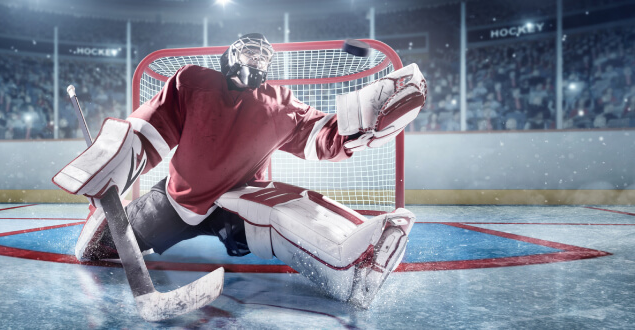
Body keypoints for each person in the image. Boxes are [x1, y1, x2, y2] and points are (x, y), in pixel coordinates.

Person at [53, 34, 427, 308]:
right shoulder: (193, 81)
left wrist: (357, 128)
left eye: (263, 58)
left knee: (282, 208)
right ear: (231, 55)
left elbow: (320, 135)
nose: (256, 61)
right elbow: (150, 131)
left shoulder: (278, 104)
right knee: (105, 244)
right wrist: (112, 170)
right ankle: (98, 223)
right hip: (177, 200)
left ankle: (351, 265)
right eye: (249, 52)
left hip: (238, 202)